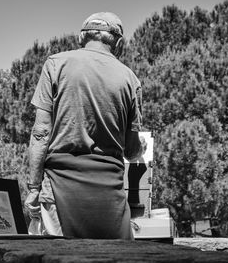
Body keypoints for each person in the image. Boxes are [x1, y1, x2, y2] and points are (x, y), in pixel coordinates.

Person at [24, 12, 144, 239]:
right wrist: (141, 149)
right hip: (110, 196)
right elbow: (131, 150)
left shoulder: (56, 64)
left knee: (57, 261)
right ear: (118, 43)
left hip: (60, 189)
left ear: (82, 38)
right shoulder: (130, 79)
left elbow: (41, 134)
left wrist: (33, 189)